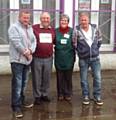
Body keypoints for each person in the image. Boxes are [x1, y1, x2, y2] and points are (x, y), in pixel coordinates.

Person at [8, 10, 36, 118]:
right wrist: (26, 52)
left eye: (28, 18)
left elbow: (34, 41)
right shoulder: (14, 27)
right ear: (19, 17)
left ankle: (21, 101)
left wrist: (31, 50)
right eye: (24, 18)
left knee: (24, 83)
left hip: (27, 60)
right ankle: (16, 107)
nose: (26, 20)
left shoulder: (30, 28)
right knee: (17, 84)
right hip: (17, 60)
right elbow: (16, 42)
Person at [73, 12, 103, 105]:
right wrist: (81, 53)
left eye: (85, 19)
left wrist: (95, 50)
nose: (84, 21)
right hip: (83, 59)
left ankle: (97, 96)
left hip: (95, 58)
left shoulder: (95, 28)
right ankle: (86, 96)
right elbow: (74, 44)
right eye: (82, 20)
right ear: (80, 21)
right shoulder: (77, 30)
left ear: (88, 20)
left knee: (97, 78)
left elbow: (100, 41)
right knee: (83, 79)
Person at [32, 12, 55, 105]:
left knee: (47, 78)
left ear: (50, 20)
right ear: (40, 19)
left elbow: (55, 42)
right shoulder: (34, 28)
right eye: (44, 18)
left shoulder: (52, 30)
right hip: (37, 57)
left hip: (49, 58)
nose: (46, 20)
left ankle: (44, 94)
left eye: (47, 18)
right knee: (36, 78)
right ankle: (37, 96)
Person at [54, 14, 75, 101]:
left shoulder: (72, 31)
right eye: (62, 20)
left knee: (68, 77)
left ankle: (68, 94)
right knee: (59, 77)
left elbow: (75, 42)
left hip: (69, 57)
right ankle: (60, 94)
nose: (63, 22)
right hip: (59, 57)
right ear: (60, 21)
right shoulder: (55, 31)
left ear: (68, 22)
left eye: (65, 20)